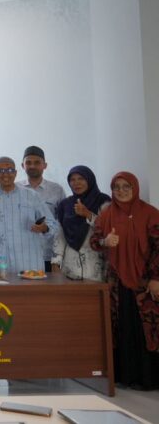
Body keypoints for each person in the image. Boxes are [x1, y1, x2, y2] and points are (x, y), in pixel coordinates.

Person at [90, 172, 159, 390]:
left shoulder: (150, 213)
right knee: (121, 327)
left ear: (134, 188)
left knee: (147, 328)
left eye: (126, 186)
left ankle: (149, 378)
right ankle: (125, 377)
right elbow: (94, 242)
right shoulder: (106, 214)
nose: (121, 191)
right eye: (116, 187)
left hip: (145, 283)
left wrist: (156, 278)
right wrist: (105, 241)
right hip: (116, 282)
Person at [0, 156, 58, 275]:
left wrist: (44, 228)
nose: (6, 174)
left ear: (15, 173)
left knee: (29, 287)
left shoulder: (31, 196)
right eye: (1, 170)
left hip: (28, 261)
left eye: (10, 170)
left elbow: (52, 224)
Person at [54, 166, 110, 281]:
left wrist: (88, 214)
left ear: (89, 179)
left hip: (95, 264)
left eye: (81, 178)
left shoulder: (103, 201)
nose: (76, 183)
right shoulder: (65, 204)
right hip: (70, 265)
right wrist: (56, 261)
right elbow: (60, 234)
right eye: (72, 180)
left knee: (94, 292)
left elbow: (108, 229)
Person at [20, 145, 66, 270]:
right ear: (22, 165)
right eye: (28, 162)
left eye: (37, 162)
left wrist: (58, 257)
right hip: (21, 254)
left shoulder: (57, 190)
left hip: (48, 254)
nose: (32, 166)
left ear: (44, 165)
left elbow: (62, 222)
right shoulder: (16, 189)